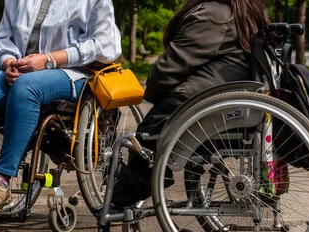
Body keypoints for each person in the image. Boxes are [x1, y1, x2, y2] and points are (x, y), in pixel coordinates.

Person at [0, 0, 121, 220]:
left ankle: (1, 181)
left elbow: (106, 45)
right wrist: (8, 61)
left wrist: (49, 59)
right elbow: (2, 38)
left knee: (26, 87)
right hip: (22, 72)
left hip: (73, 73)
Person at [111, 0, 270, 207]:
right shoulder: (247, 12)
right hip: (233, 103)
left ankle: (129, 190)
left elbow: (167, 70)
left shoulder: (213, 15)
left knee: (146, 135)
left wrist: (153, 91)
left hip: (204, 105)